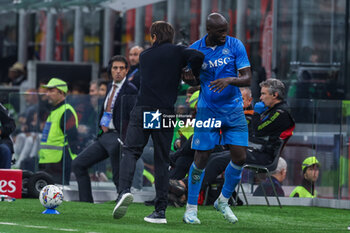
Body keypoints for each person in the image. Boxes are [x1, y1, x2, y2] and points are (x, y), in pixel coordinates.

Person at [112, 21, 204, 224]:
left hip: (144, 109)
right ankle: (160, 211)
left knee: (131, 151)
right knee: (162, 160)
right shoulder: (178, 51)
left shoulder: (145, 56)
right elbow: (198, 56)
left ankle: (124, 192)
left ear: (153, 37)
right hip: (164, 111)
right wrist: (191, 72)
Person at [183, 12, 252, 225]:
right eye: (220, 31)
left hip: (233, 110)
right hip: (208, 110)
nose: (225, 34)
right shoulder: (195, 49)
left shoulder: (235, 45)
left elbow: (248, 77)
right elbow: (189, 78)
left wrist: (229, 80)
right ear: (209, 30)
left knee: (240, 157)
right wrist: (188, 78)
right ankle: (191, 209)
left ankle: (223, 201)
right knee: (201, 158)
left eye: (226, 30)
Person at [72, 55, 138, 203]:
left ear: (127, 70)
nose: (118, 71)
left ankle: (121, 200)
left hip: (118, 137)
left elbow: (131, 117)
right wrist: (100, 133)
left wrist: (125, 139)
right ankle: (86, 203)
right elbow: (104, 113)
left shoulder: (131, 89)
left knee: (118, 176)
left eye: (122, 68)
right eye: (115, 68)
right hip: (104, 136)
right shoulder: (109, 86)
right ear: (110, 70)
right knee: (78, 164)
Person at [38, 78, 79, 184]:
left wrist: (74, 162)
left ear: (61, 93)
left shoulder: (66, 111)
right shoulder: (55, 110)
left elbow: (72, 138)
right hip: (48, 161)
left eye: (51, 91)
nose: (47, 94)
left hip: (59, 164)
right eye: (47, 91)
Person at [246, 79, 295, 166]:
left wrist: (256, 114)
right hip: (257, 150)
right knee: (220, 153)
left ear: (274, 95)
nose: (260, 98)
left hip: (265, 156)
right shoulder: (272, 110)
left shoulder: (280, 113)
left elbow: (257, 131)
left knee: (221, 160)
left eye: (263, 94)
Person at [0, 103, 16, 168]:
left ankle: (5, 177)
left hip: (1, 141)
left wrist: (1, 131)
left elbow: (11, 125)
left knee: (4, 150)